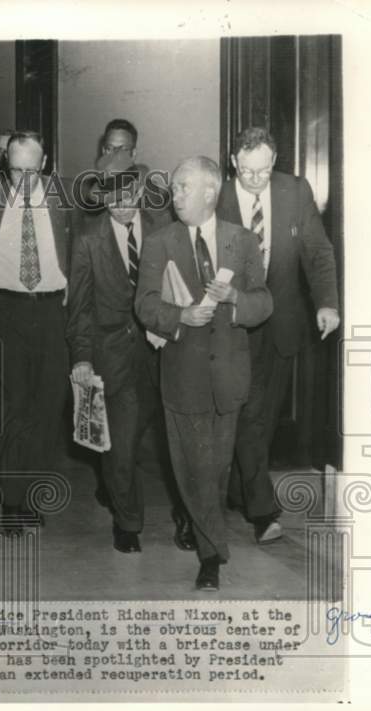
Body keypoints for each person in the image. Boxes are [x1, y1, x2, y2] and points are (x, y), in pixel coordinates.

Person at [135, 156, 272, 591]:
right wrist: (181, 316)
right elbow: (144, 305)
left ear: (210, 192)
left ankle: (205, 537)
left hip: (229, 376)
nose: (174, 196)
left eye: (183, 188)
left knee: (216, 469)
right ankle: (212, 555)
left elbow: (264, 301)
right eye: (174, 188)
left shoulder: (243, 241)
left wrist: (235, 297)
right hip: (182, 376)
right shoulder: (160, 242)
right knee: (193, 468)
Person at [67, 150, 194, 554]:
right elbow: (80, 308)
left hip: (165, 354)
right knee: (119, 445)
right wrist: (82, 358)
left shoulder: (165, 229)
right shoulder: (88, 240)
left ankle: (189, 519)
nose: (121, 204)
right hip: (112, 354)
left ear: (140, 189)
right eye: (111, 196)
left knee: (176, 443)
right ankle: (128, 522)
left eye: (128, 193)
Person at [217, 126, 340, 543]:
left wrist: (327, 303)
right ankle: (262, 510)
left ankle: (239, 489)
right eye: (247, 171)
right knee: (250, 413)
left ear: (275, 162)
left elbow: (317, 250)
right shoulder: (217, 195)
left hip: (283, 322)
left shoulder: (294, 190)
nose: (256, 179)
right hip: (233, 322)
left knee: (264, 417)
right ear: (234, 162)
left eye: (264, 170)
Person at [0, 130, 78, 527]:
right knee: (10, 407)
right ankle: (12, 502)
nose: (25, 179)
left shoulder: (65, 198)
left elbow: (81, 249)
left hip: (52, 311)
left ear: (44, 164)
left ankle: (31, 494)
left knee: (47, 407)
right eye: (16, 170)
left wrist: (73, 293)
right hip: (6, 310)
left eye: (32, 169)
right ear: (3, 165)